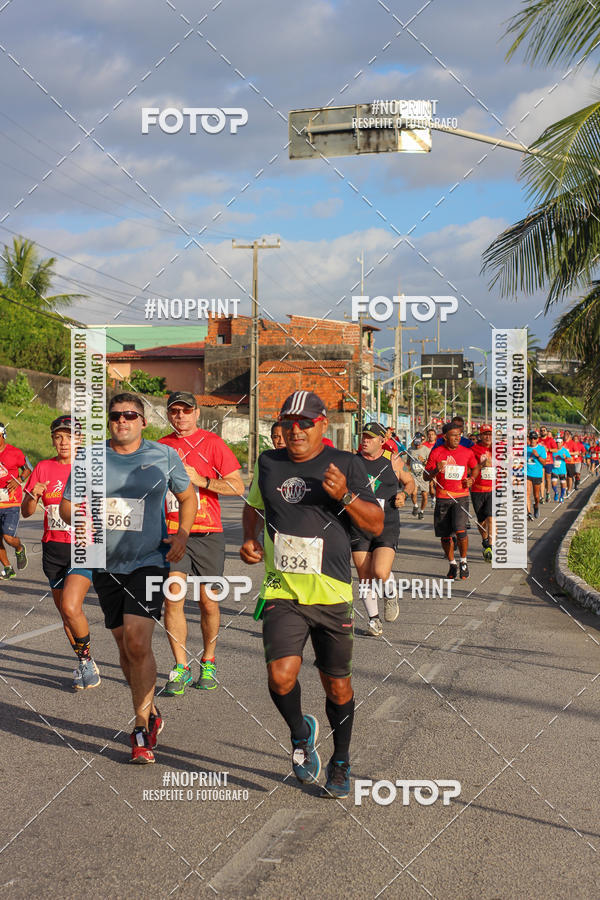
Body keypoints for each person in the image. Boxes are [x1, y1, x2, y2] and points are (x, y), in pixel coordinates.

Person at [240, 391, 383, 800]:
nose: (295, 429)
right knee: (279, 676)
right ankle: (301, 735)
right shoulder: (269, 462)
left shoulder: (347, 464)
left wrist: (345, 496)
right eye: (288, 422)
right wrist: (250, 539)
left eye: (304, 422)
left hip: (332, 593)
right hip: (282, 590)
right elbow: (255, 504)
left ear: (323, 424)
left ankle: (341, 759)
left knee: (337, 687)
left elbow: (374, 524)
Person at [60, 393, 197, 764]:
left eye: (130, 415)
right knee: (124, 648)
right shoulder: (89, 457)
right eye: (116, 416)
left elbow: (188, 497)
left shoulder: (163, 456)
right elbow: (67, 505)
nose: (122, 421)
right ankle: (151, 711)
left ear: (143, 422)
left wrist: (182, 534)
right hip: (104, 562)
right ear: (109, 421)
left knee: (137, 643)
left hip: (148, 561)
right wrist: (78, 518)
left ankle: (139, 729)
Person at [158, 391, 244, 695]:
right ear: (169, 415)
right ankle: (180, 666)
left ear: (197, 413)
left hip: (208, 532)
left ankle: (208, 660)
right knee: (173, 598)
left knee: (207, 601)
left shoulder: (213, 443)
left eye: (186, 410)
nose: (180, 416)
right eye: (175, 411)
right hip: (172, 532)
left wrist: (202, 480)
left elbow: (237, 486)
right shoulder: (161, 447)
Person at [21, 416, 98, 689]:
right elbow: (26, 512)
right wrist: (33, 495)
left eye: (69, 436)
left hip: (83, 547)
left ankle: (86, 662)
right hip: (52, 548)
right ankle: (84, 661)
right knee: (66, 614)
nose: (63, 441)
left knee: (70, 605)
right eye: (58, 436)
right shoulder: (43, 467)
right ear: (53, 439)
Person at [351, 423, 415, 636]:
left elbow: (409, 481)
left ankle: (390, 594)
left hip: (386, 524)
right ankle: (373, 620)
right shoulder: (353, 461)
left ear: (381, 440)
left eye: (370, 437)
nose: (365, 440)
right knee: (365, 576)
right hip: (359, 526)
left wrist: (404, 495)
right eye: (363, 436)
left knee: (380, 571)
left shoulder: (392, 460)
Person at [424, 425, 480, 579]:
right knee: (445, 535)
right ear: (445, 437)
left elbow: (475, 468)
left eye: (459, 435)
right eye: (453, 435)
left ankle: (463, 561)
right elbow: (425, 476)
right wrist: (436, 469)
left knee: (460, 530)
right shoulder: (437, 452)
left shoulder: (467, 452)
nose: (457, 438)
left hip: (460, 496)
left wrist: (472, 479)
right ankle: (452, 564)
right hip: (443, 497)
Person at [0, 423, 31, 578]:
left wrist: (19, 480)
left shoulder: (14, 452)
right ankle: (8, 568)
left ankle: (19, 549)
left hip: (11, 502)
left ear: (3, 436)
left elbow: (28, 467)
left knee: (8, 537)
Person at [470, 425, 494, 562]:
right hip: (477, 489)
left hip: (493, 489)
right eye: (485, 434)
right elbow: (471, 468)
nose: (488, 437)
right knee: (481, 521)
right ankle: (485, 540)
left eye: (490, 434)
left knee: (491, 518)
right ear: (480, 436)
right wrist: (482, 465)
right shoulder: (473, 450)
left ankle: (491, 545)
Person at [405, 433, 430, 520]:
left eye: (419, 440)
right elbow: (408, 463)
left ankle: (422, 511)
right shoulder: (410, 450)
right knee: (413, 492)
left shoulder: (426, 450)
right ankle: (415, 506)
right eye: (415, 440)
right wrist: (405, 473)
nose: (417, 442)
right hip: (413, 474)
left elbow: (430, 464)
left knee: (424, 495)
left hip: (423, 475)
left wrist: (423, 460)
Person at [526, 431, 547, 520]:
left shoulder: (541, 449)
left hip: (537, 474)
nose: (533, 440)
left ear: (537, 439)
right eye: (531, 438)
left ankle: (536, 506)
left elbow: (544, 463)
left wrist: (537, 456)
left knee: (536, 496)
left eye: (535, 438)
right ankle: (529, 513)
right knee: (527, 493)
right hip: (527, 474)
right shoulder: (525, 449)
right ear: (529, 439)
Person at [538, 426, 556, 503]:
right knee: (541, 479)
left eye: (544, 430)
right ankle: (542, 497)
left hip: (549, 462)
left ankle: (548, 492)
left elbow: (555, 449)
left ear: (546, 431)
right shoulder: (537, 440)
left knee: (547, 479)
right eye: (541, 431)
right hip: (540, 462)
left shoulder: (550, 440)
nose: (542, 432)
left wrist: (548, 449)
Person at [550, 436, 571, 502]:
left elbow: (570, 459)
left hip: (562, 470)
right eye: (557, 442)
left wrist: (565, 457)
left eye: (559, 442)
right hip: (554, 470)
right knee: (553, 484)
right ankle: (556, 492)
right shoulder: (554, 450)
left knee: (563, 484)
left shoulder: (565, 450)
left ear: (562, 443)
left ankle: (561, 497)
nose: (558, 444)